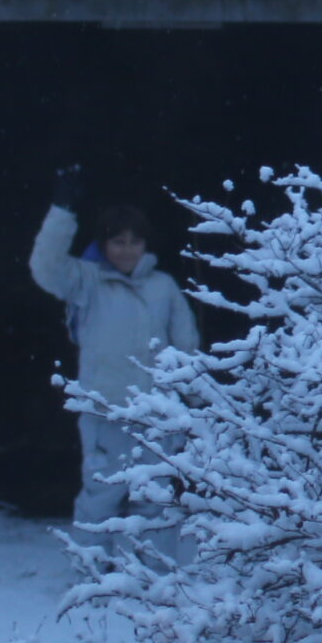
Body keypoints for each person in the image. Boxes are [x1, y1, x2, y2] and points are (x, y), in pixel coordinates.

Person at [28, 166, 200, 532]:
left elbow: (186, 345)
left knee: (153, 503)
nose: (127, 250)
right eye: (118, 242)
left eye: (134, 242)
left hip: (157, 416)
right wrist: (62, 211)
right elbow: (45, 267)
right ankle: (94, 582)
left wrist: (192, 398)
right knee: (100, 499)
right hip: (104, 413)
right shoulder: (85, 282)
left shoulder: (163, 286)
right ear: (104, 245)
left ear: (146, 244)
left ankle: (150, 583)